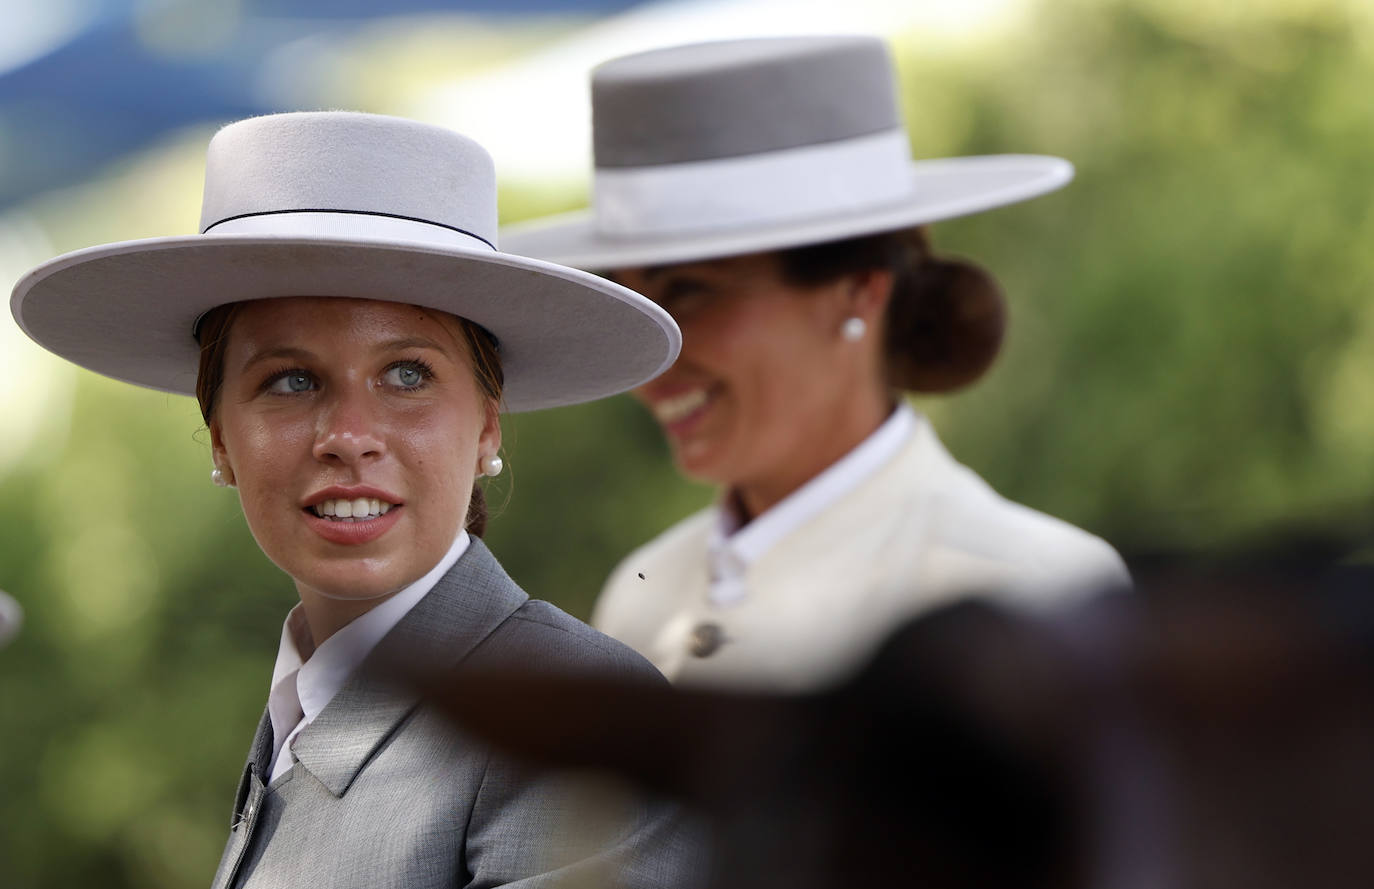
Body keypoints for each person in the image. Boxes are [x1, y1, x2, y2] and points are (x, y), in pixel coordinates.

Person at [10, 112, 694, 888]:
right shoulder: (301, 712)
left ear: (485, 426)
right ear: (221, 439)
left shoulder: (581, 721)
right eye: (291, 380)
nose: (349, 435)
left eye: (407, 375)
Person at [502, 35, 1130, 691]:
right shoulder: (644, 594)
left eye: (689, 292)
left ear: (859, 289)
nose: (650, 371)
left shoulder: (1035, 589)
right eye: (634, 304)